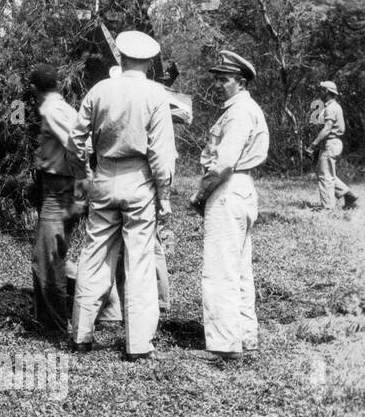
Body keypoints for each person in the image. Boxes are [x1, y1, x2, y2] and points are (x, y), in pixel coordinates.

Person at [66, 30, 176, 359]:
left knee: (94, 256)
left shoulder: (100, 90)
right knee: (139, 261)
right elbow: (160, 155)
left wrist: (82, 174)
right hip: (139, 178)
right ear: (150, 61)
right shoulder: (156, 95)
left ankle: (81, 335)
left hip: (103, 176)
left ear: (121, 57)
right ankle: (138, 344)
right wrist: (164, 196)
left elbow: (76, 141)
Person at [189, 52, 269, 364]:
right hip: (240, 188)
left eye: (225, 79)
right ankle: (244, 336)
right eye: (218, 78)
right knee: (238, 270)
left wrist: (200, 195)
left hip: (229, 187)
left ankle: (224, 344)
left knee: (220, 271)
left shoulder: (239, 113)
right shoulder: (244, 109)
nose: (219, 84)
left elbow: (223, 164)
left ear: (242, 81)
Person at [27, 64, 88, 338]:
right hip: (59, 187)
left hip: (59, 189)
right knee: (55, 256)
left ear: (33, 89)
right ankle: (56, 319)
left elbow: (77, 147)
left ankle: (55, 327)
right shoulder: (64, 108)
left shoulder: (52, 111)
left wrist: (82, 182)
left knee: (47, 260)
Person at [309, 81, 357, 210]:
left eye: (321, 90)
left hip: (330, 142)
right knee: (327, 172)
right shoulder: (332, 106)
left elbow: (327, 128)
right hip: (332, 142)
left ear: (326, 92)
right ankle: (349, 195)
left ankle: (327, 208)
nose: (319, 92)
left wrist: (313, 145)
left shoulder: (331, 108)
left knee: (325, 176)